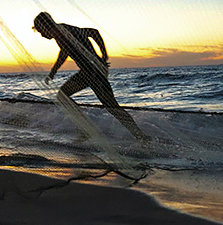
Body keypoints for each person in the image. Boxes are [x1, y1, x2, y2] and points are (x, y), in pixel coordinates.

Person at [32, 12, 149, 140]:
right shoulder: (61, 33)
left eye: (41, 31)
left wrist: (104, 55)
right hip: (90, 71)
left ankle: (138, 136)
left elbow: (94, 32)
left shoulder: (64, 31)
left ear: (45, 26)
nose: (42, 35)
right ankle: (139, 135)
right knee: (108, 106)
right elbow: (64, 52)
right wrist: (53, 72)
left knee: (111, 106)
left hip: (93, 72)